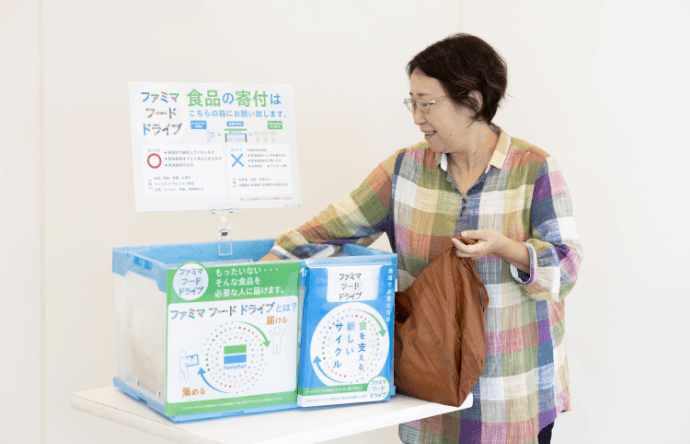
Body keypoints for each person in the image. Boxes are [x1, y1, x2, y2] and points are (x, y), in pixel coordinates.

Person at [260, 33, 582, 444]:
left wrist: (507, 249)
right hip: (428, 396)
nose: (416, 117)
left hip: (513, 394)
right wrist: (264, 271)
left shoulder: (534, 169)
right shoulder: (405, 169)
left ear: (472, 102)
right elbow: (326, 230)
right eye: (411, 102)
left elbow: (566, 268)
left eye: (426, 103)